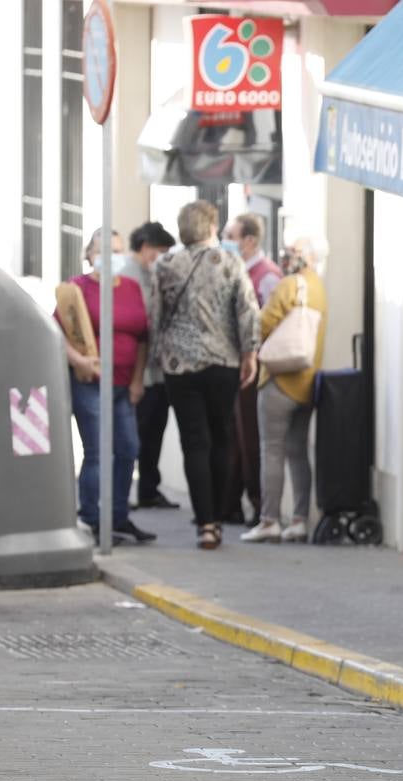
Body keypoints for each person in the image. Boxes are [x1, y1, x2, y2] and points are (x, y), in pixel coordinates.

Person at [152, 200, 260, 550]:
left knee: (193, 442)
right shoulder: (229, 261)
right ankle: (218, 513)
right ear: (212, 226)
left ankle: (206, 523)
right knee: (221, 438)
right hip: (222, 362)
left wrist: (157, 355)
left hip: (179, 366)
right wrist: (250, 354)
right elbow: (246, 310)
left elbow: (156, 314)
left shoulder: (167, 264)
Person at [60, 234, 155, 545]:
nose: (111, 256)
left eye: (116, 251)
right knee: (97, 452)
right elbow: (57, 332)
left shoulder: (129, 288)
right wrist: (80, 362)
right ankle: (91, 518)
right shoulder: (76, 288)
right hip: (89, 383)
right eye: (103, 251)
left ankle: (117, 515)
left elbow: (142, 337)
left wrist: (138, 379)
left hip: (123, 384)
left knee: (128, 448)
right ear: (89, 254)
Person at [243, 237, 328, 544]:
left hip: (279, 379)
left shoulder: (289, 285)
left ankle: (269, 520)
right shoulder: (318, 287)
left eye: (291, 252)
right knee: (297, 452)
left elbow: (262, 325)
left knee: (272, 449)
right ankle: (300, 519)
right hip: (306, 381)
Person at [220, 213, 281, 526]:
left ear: (250, 240)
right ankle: (229, 503)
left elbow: (269, 324)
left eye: (231, 235)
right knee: (233, 436)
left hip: (254, 368)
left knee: (250, 438)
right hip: (234, 364)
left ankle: (258, 505)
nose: (226, 240)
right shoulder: (235, 271)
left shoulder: (267, 276)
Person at [123, 221, 180, 511]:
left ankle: (149, 488)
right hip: (137, 371)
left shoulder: (152, 273)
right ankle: (127, 490)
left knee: (154, 430)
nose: (162, 258)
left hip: (158, 369)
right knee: (137, 433)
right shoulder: (124, 275)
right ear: (145, 247)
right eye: (159, 252)